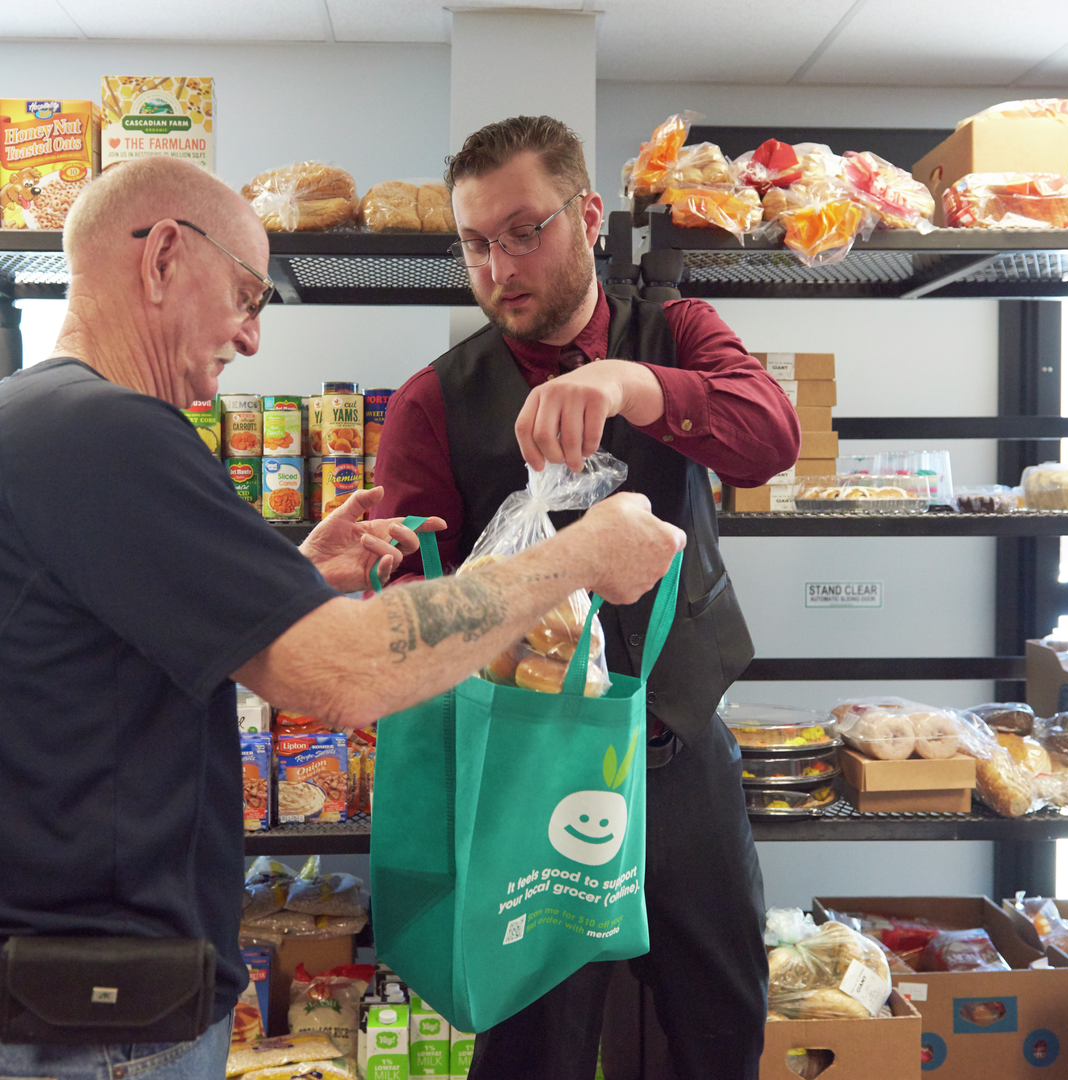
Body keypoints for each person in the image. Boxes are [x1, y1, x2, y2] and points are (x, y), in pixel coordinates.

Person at [0, 155, 685, 1080]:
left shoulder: (33, 417)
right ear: (164, 255)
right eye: (247, 296)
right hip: (95, 1014)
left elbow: (91, 653)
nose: (249, 339)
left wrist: (287, 581)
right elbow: (350, 679)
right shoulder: (112, 431)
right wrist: (575, 557)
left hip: (67, 989)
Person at [369, 116, 801, 1080]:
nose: (498, 264)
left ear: (590, 216)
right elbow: (408, 614)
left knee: (722, 1025)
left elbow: (772, 436)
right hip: (527, 780)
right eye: (475, 243)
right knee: (533, 1049)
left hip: (680, 749)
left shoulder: (676, 332)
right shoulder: (433, 402)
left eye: (525, 230)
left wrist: (631, 382)